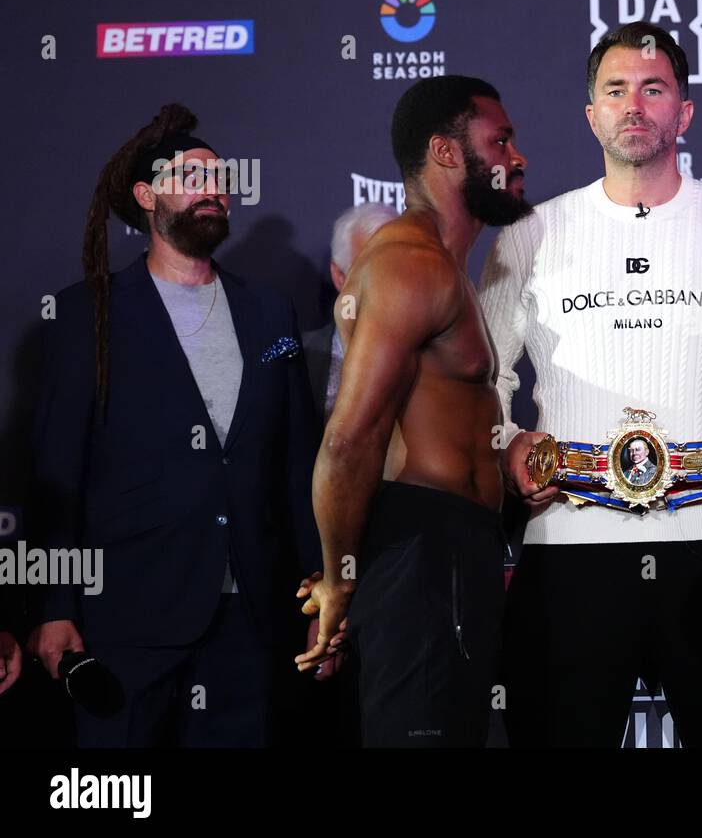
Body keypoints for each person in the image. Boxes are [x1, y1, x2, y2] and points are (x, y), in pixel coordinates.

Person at [480, 22, 702, 747]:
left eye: (654, 89)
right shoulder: (528, 233)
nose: (634, 105)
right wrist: (506, 447)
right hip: (565, 546)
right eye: (616, 89)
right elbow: (486, 378)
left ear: (684, 112)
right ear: (590, 112)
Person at [26, 104, 322, 746]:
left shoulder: (270, 315)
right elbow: (57, 472)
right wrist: (54, 609)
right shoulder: (90, 314)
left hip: (247, 617)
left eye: (221, 179)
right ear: (145, 196)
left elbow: (299, 464)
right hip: (125, 619)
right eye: (192, 176)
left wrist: (320, 582)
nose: (214, 189)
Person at [296, 75, 531, 747]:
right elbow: (349, 439)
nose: (517, 158)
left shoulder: (446, 266)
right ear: (446, 152)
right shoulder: (409, 263)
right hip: (425, 556)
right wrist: (341, 578)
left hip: (450, 552)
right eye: (501, 140)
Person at [303, 203, 399, 425]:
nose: (388, 283)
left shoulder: (433, 361)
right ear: (339, 276)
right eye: (371, 268)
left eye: (397, 267)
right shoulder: (300, 358)